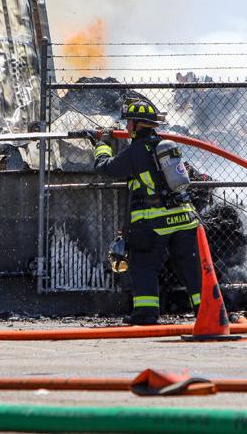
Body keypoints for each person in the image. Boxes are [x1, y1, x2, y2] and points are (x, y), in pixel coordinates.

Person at [91, 94, 202, 325]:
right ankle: (207, 310)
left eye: (128, 122)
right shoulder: (165, 146)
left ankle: (146, 314)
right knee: (190, 267)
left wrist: (101, 145)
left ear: (134, 124)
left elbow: (106, 168)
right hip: (184, 219)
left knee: (143, 266)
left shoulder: (136, 151)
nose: (126, 126)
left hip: (153, 223)